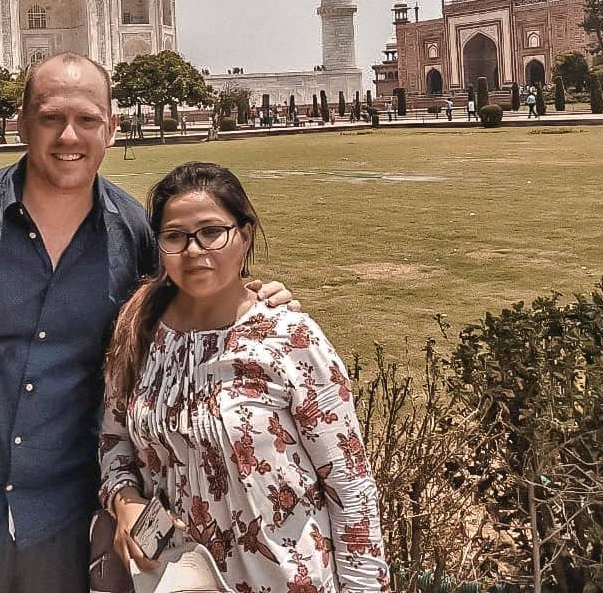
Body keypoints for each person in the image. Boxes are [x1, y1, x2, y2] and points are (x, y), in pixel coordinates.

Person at [0, 53, 296, 593]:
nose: (69, 135)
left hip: (64, 506)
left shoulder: (133, 233)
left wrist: (255, 299)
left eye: (88, 120)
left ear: (111, 128)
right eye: (50, 118)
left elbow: (186, 304)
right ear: (22, 122)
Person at [101, 162, 388, 591]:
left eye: (212, 232)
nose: (195, 250)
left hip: (287, 578)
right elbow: (113, 442)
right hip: (176, 579)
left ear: (245, 236)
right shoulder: (140, 333)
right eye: (175, 237)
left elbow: (351, 490)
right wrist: (124, 502)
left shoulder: (288, 339)